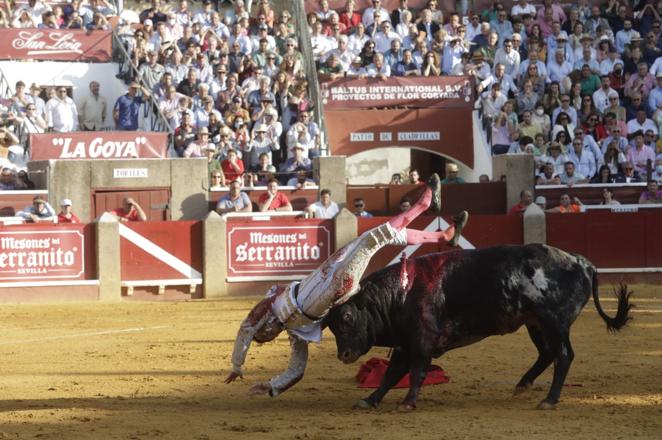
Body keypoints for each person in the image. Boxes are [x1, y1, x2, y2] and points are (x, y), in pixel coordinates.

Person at [225, 175, 469, 397]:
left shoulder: (273, 305)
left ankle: (442, 237)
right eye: (266, 338)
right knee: (372, 239)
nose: (267, 335)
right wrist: (271, 387)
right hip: (335, 285)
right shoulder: (295, 332)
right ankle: (424, 204)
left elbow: (246, 327)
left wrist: (238, 363)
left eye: (263, 332)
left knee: (375, 238)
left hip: (327, 272)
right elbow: (296, 369)